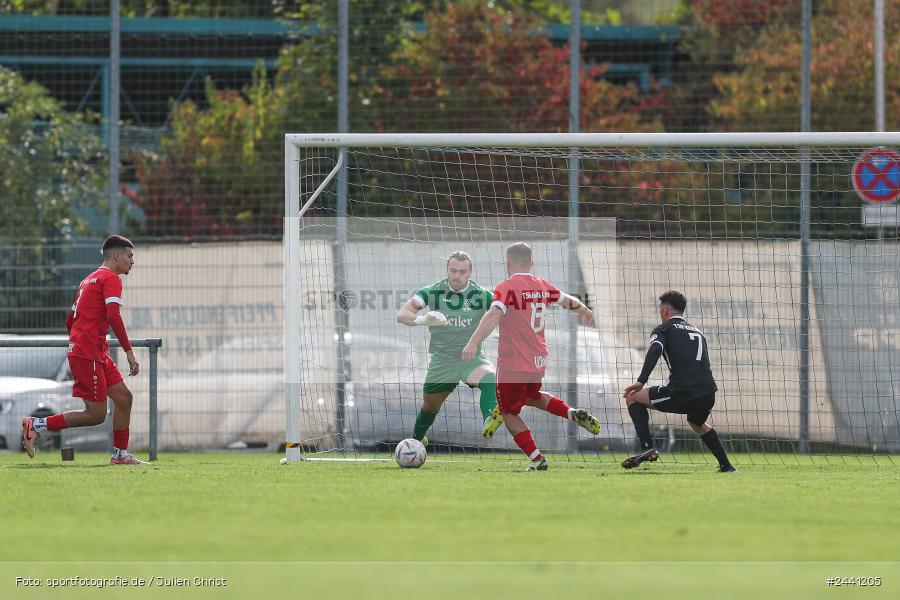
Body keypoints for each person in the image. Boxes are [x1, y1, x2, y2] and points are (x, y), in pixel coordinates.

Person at [461, 242, 601, 470]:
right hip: (538, 360)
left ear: (508, 262)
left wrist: (473, 342)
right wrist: (584, 310)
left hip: (514, 361)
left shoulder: (507, 287)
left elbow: (494, 314)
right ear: (531, 263)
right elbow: (568, 301)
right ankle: (572, 413)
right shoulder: (541, 285)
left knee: (508, 411)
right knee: (531, 395)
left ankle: (537, 459)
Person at [21, 235, 147, 465]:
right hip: (89, 352)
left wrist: (86, 339)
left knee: (124, 399)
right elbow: (113, 316)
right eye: (130, 256)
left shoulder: (87, 280)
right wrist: (128, 351)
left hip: (94, 350)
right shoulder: (110, 278)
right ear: (117, 256)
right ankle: (36, 424)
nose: (132, 261)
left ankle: (120, 456)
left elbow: (71, 320)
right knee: (95, 415)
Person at [622, 290, 736, 473]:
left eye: (660, 308)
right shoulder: (698, 332)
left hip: (682, 391)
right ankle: (727, 466)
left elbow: (655, 350)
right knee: (696, 422)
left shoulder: (663, 329)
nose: (660, 312)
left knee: (633, 397)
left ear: (666, 310)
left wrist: (641, 381)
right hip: (708, 392)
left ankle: (647, 447)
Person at [396, 251, 503, 445]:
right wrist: (423, 319)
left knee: (490, 378)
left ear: (470, 272)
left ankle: (490, 418)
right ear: (447, 269)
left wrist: (505, 331)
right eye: (453, 270)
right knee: (429, 407)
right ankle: (416, 441)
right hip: (443, 360)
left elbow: (501, 313)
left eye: (462, 272)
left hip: (471, 358)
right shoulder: (432, 292)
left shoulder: (482, 295)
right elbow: (402, 315)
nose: (457, 276)